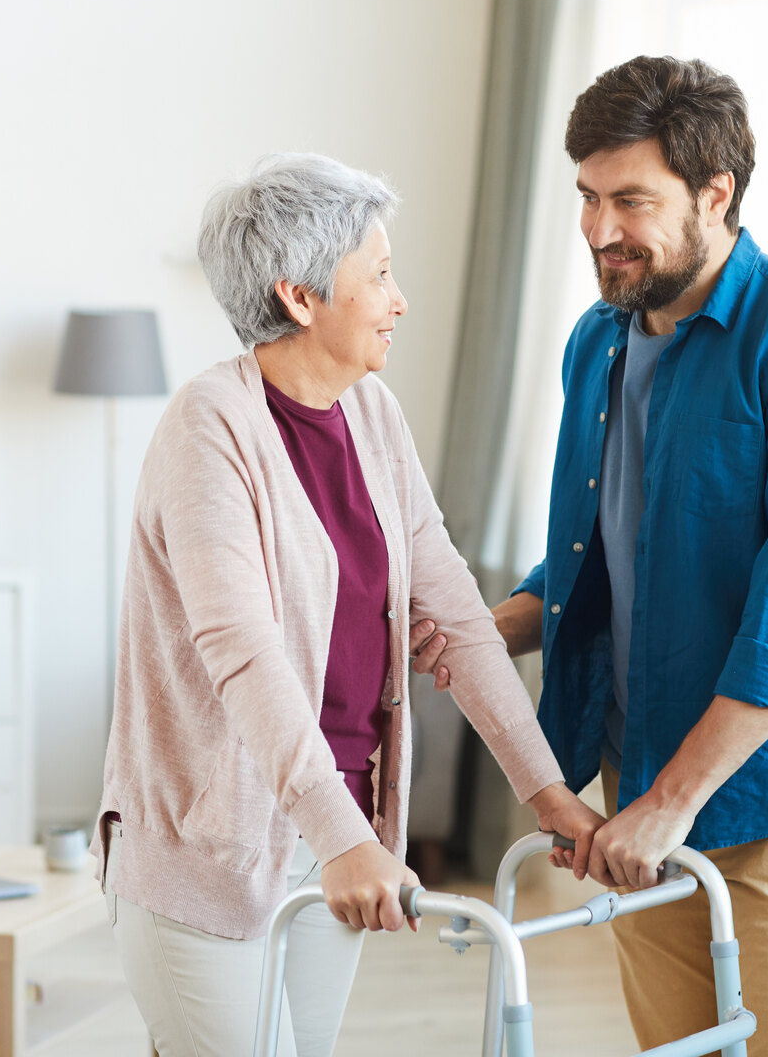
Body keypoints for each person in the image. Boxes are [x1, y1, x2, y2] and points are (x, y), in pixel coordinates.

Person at [413, 56, 768, 1056]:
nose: (600, 232)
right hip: (637, 794)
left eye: (630, 200)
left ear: (715, 193)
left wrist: (671, 803)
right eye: (587, 198)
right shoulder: (597, 342)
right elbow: (594, 560)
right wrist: (479, 628)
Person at [90, 152, 601, 1057]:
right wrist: (342, 842)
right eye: (381, 275)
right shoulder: (208, 429)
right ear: (300, 298)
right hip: (213, 849)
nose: (401, 299)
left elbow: (458, 615)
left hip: (339, 830)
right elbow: (242, 651)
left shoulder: (372, 414)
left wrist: (547, 791)